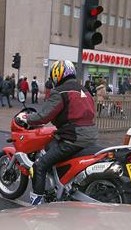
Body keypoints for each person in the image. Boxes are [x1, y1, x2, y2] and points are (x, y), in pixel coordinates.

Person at [17, 60, 98, 205]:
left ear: (57, 74)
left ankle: (37, 203)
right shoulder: (85, 90)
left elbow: (44, 116)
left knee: (39, 165)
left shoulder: (60, 91)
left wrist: (27, 118)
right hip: (91, 136)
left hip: (73, 138)